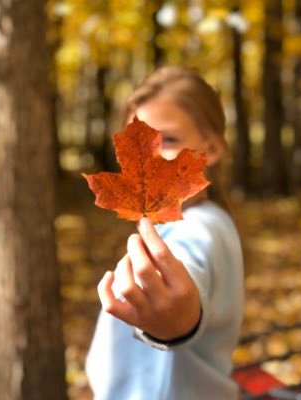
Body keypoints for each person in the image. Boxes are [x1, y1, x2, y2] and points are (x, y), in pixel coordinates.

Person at [85, 65, 244, 400]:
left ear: (211, 150)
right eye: (138, 142)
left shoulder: (203, 227)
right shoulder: (193, 223)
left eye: (168, 139)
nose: (152, 157)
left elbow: (189, 269)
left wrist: (178, 322)